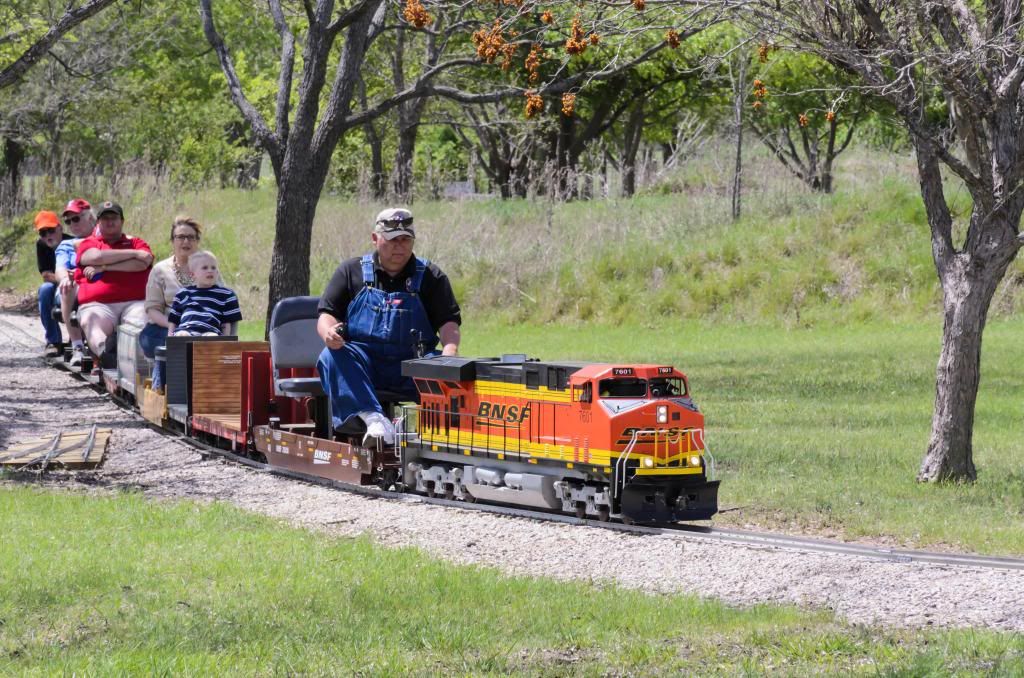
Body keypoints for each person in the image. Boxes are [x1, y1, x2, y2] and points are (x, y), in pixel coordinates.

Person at [316, 208, 461, 445]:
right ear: (375, 238)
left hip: (412, 365)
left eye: (406, 240)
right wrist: (328, 333)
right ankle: (374, 419)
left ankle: (431, 428)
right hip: (363, 367)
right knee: (330, 356)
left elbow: (449, 323)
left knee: (449, 369)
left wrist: (450, 354)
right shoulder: (350, 272)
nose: (399, 246)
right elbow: (327, 315)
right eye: (392, 239)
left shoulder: (432, 277)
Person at [74, 201, 154, 367]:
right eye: (105, 218)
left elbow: (143, 262)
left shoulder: (137, 242)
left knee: (142, 321)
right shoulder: (89, 243)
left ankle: (136, 366)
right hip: (98, 305)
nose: (110, 222)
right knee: (90, 320)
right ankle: (107, 354)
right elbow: (95, 257)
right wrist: (133, 254)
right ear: (98, 223)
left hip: (134, 303)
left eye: (114, 218)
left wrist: (103, 268)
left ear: (122, 221)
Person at [142, 216, 209, 388]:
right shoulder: (160, 270)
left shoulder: (208, 267)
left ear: (197, 241)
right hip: (164, 327)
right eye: (180, 237)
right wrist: (175, 327)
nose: (186, 241)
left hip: (201, 327)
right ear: (172, 241)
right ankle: (164, 391)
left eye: (191, 237)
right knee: (179, 342)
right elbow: (152, 309)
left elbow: (223, 299)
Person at [54, 198, 97, 366]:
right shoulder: (66, 245)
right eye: (68, 221)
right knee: (68, 285)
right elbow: (60, 269)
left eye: (76, 218)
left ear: (91, 218)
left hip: (98, 284)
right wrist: (65, 277)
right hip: (74, 287)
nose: (72, 224)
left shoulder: (104, 240)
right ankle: (78, 346)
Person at [167, 251, 242, 336]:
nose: (210, 271)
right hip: (186, 330)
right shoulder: (183, 294)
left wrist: (225, 342)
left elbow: (227, 323)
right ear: (192, 275)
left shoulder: (225, 295)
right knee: (182, 335)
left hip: (211, 331)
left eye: (213, 268)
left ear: (217, 273)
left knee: (211, 337)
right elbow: (173, 321)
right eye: (205, 268)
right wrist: (170, 339)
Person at [34, 210, 74, 356]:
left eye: (50, 230)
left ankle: (75, 341)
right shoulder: (41, 245)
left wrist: (69, 280)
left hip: (74, 283)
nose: (48, 236)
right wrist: (63, 278)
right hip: (60, 282)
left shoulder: (72, 242)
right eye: (43, 233)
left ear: (60, 228)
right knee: (44, 289)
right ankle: (53, 340)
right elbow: (46, 275)